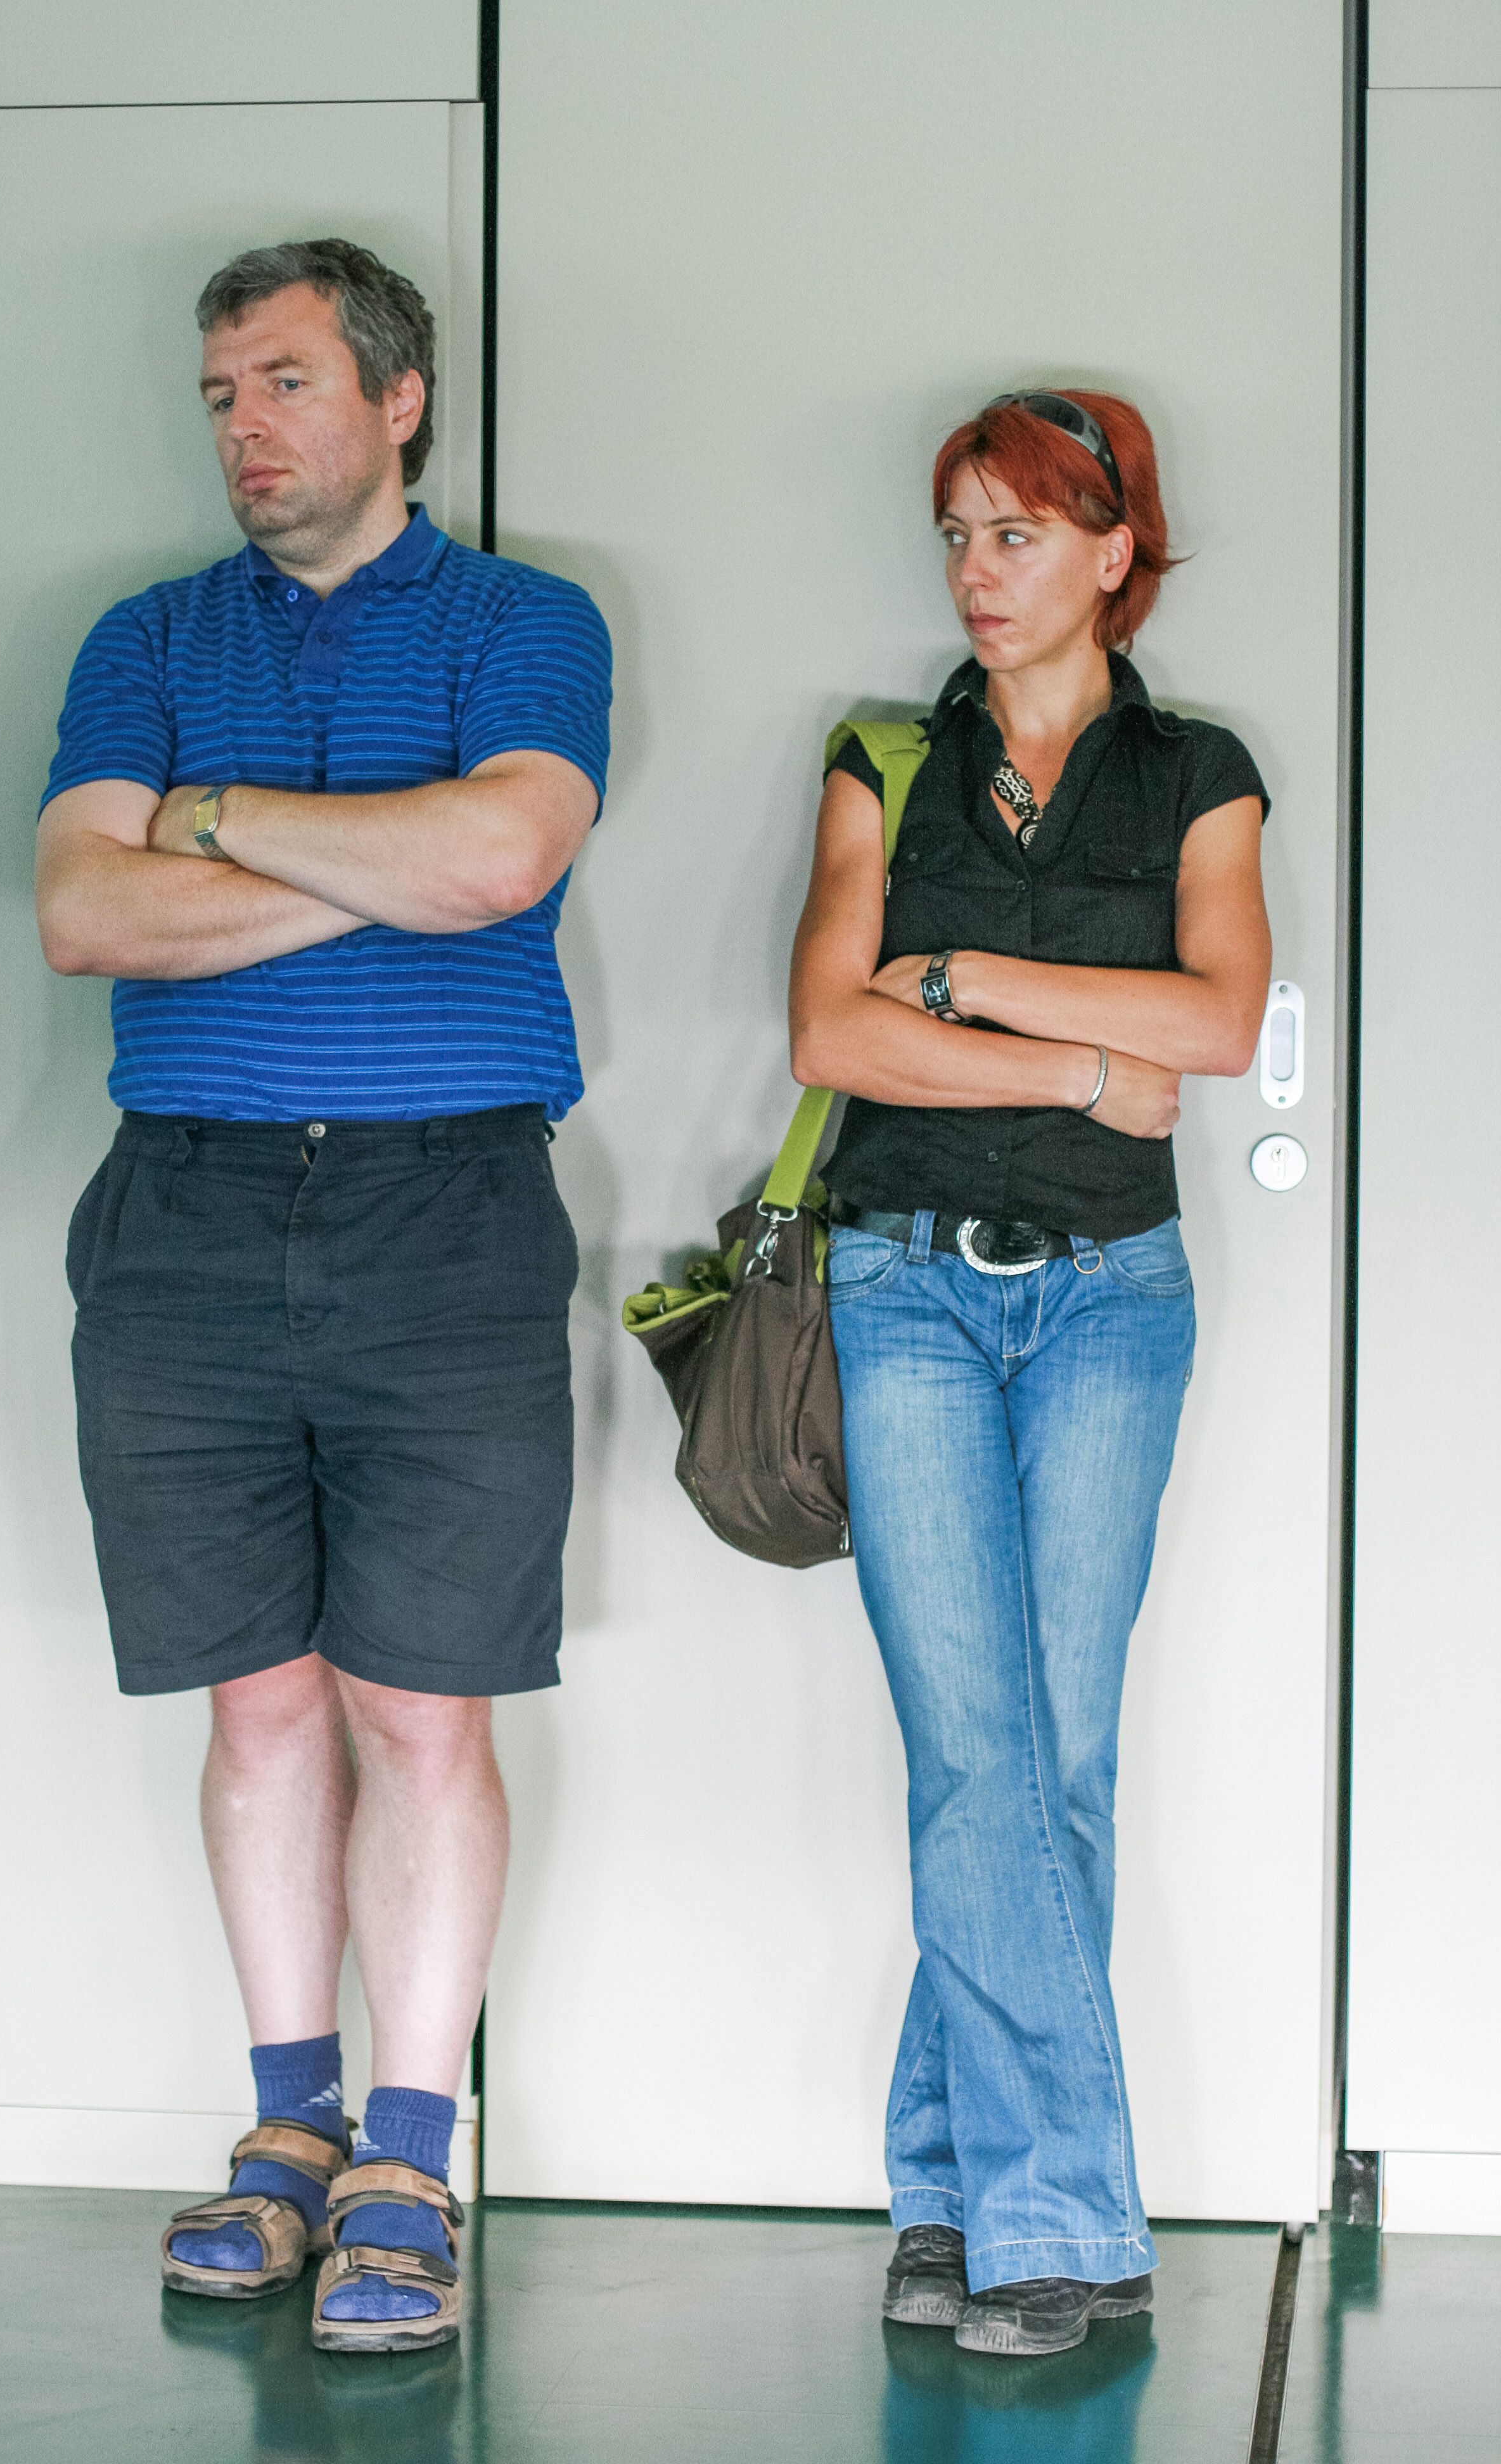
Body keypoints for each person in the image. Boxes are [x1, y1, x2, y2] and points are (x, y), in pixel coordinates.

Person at [35, 238, 611, 2355]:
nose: (244, 426)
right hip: (180, 1217)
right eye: (220, 393)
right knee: (260, 1704)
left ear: (398, 397)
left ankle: (408, 2159)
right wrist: (382, 866)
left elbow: (501, 866)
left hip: (448, 1215)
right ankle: (288, 2135)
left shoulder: (525, 623)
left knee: (419, 1707)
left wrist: (222, 833)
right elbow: (84, 914)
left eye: (282, 380)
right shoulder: (146, 637)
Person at [788, 390, 1270, 2357]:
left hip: (1113, 1305)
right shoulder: (884, 761)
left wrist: (963, 981)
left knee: (1046, 1764)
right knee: (980, 1752)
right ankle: (1066, 2225)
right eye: (959, 537)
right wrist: (1077, 1058)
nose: (977, 574)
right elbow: (833, 1036)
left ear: (1112, 551)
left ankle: (947, 2196)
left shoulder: (1198, 775)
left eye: (1016, 534)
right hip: (903, 1290)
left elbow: (1219, 1020)